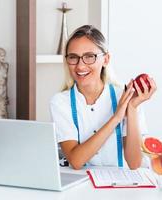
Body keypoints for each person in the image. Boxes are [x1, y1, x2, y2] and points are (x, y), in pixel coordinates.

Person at [50, 25, 156, 170]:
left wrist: (131, 108)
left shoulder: (126, 98)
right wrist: (116, 118)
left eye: (89, 57)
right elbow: (76, 160)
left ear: (105, 59)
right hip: (80, 185)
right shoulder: (61, 102)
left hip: (121, 184)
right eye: (73, 57)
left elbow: (134, 163)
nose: (80, 66)